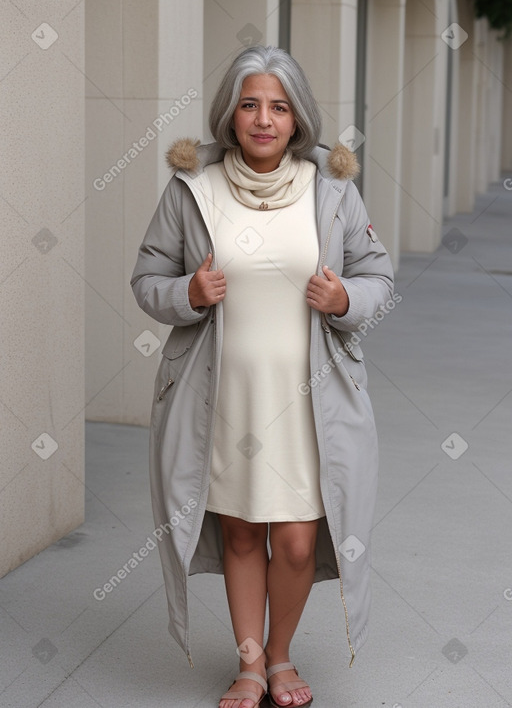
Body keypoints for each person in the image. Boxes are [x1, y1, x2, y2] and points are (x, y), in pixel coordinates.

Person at [130, 45, 394, 708]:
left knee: (300, 538)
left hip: (310, 402)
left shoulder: (332, 189)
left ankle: (282, 655)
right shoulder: (193, 187)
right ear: (230, 112)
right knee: (243, 529)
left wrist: (345, 302)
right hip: (223, 397)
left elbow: (377, 275)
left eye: (278, 106)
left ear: (298, 115)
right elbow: (146, 277)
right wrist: (187, 291)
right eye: (250, 104)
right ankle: (252, 664)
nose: (264, 118)